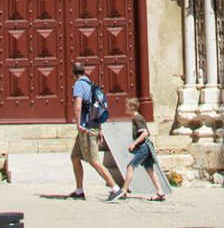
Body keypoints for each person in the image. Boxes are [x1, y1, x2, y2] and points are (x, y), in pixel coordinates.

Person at [67, 59, 121, 201]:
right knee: (75, 157)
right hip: (92, 126)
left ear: (73, 73)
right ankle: (79, 191)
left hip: (86, 128)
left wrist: (79, 123)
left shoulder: (79, 85)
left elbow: (78, 105)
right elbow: (95, 108)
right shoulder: (90, 84)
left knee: (93, 160)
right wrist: (100, 128)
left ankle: (115, 188)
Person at [115, 99, 170, 201]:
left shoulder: (137, 118)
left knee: (130, 167)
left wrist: (134, 143)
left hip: (143, 147)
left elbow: (145, 133)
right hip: (145, 147)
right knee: (150, 169)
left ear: (132, 107)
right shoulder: (136, 118)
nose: (125, 108)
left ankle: (124, 190)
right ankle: (160, 192)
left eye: (126, 106)